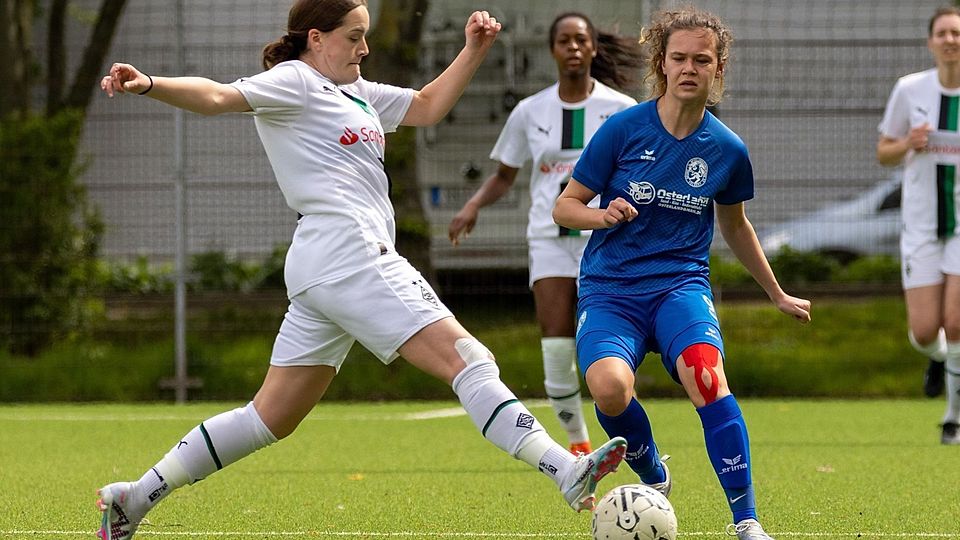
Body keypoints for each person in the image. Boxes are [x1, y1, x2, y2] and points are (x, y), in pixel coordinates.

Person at [94, 2, 629, 538]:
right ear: (317, 38)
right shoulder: (295, 81)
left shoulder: (357, 90)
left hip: (322, 268)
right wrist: (149, 83)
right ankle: (566, 469)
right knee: (469, 359)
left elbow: (424, 106)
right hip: (351, 256)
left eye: (366, 37)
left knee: (268, 418)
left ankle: (133, 497)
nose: (365, 49)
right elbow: (216, 97)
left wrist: (474, 50)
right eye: (354, 37)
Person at [552, 6, 812, 540]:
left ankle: (746, 520)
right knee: (607, 389)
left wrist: (778, 293)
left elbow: (736, 227)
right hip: (612, 290)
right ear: (662, 65)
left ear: (718, 70)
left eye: (703, 59)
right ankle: (653, 474)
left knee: (706, 373)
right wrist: (601, 214)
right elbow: (565, 206)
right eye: (679, 58)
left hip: (680, 286)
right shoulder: (623, 130)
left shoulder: (727, 149)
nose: (690, 67)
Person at [447, 12, 641, 456]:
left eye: (581, 40)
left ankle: (633, 438)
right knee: (556, 347)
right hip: (549, 241)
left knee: (617, 347)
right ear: (552, 50)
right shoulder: (529, 111)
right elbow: (504, 175)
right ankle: (579, 449)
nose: (573, 48)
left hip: (607, 243)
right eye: (563, 41)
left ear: (593, 48)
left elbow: (638, 175)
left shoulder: (620, 111)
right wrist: (473, 206)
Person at [877, 6, 960, 445]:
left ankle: (953, 419)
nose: (951, 40)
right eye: (943, 33)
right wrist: (909, 142)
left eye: (957, 33)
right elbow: (883, 151)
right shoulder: (910, 90)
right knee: (927, 331)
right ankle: (939, 359)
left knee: (957, 320)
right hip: (922, 225)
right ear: (931, 42)